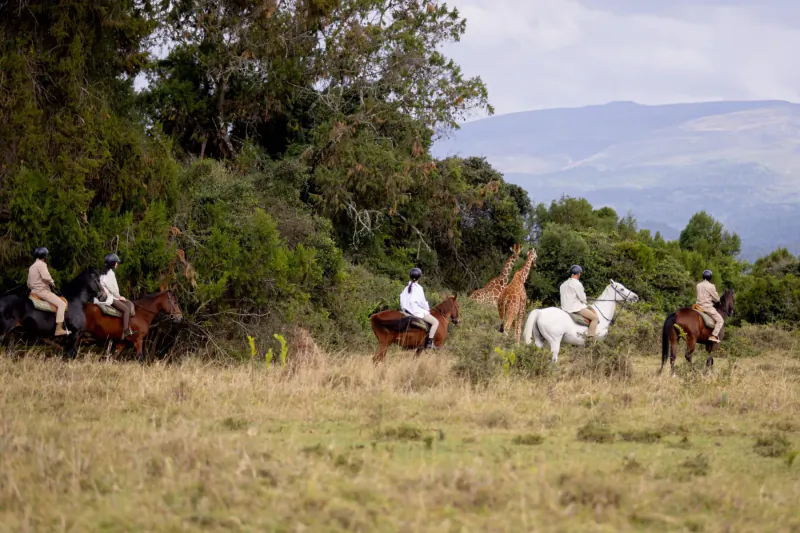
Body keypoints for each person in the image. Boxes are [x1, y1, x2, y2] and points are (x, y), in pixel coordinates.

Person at [27, 247, 69, 336]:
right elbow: (46, 276)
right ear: (45, 256)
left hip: (33, 291)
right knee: (62, 304)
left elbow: (28, 283)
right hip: (42, 291)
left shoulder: (32, 266)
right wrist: (52, 283)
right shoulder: (42, 264)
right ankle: (59, 329)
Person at [94, 253, 135, 338]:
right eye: (116, 262)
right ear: (113, 263)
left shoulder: (103, 273)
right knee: (126, 309)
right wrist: (119, 296)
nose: (117, 264)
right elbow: (112, 288)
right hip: (108, 298)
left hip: (100, 298)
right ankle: (126, 330)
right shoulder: (110, 273)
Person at [399, 267, 439, 349]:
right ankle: (429, 343)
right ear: (419, 277)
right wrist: (427, 309)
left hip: (406, 312)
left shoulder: (406, 288)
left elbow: (402, 300)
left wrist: (404, 309)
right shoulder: (419, 288)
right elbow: (422, 302)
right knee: (435, 322)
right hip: (416, 312)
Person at [559, 265, 598, 338]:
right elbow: (583, 298)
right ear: (578, 274)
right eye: (580, 273)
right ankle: (590, 336)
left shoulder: (563, 284)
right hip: (574, 308)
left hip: (564, 308)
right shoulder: (577, 284)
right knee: (595, 318)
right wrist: (585, 301)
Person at [696, 269, 723, 343]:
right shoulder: (711, 286)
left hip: (698, 307)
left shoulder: (698, 285)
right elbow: (717, 298)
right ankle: (714, 335)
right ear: (710, 277)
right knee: (720, 320)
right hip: (707, 307)